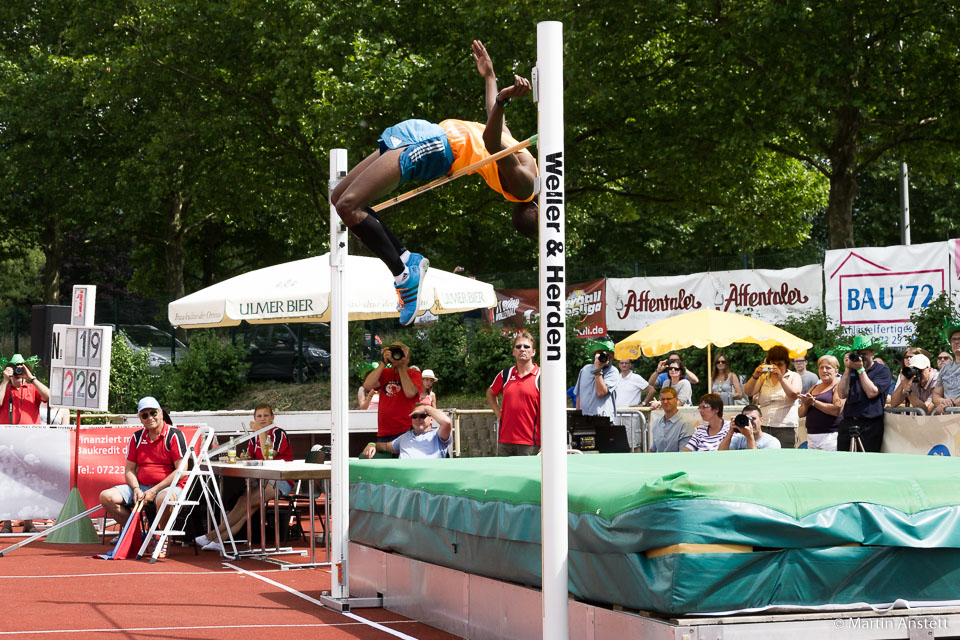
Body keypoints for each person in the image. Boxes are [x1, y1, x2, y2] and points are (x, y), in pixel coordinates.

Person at [329, 40, 539, 326]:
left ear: (537, 208)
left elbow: (491, 141)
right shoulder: (522, 154)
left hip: (438, 146)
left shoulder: (524, 186)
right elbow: (494, 119)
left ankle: (403, 275)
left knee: (349, 206)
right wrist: (490, 76)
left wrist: (503, 98)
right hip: (427, 133)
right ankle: (407, 259)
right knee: (339, 197)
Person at [195, 404, 293, 552]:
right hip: (261, 480)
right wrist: (245, 456)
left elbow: (268, 456)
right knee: (245, 506)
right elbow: (251, 455)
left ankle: (211, 536)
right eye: (259, 416)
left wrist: (260, 432)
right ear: (254, 418)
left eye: (265, 416)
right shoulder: (255, 436)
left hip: (279, 481)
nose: (262, 419)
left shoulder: (278, 433)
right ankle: (219, 541)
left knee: (245, 503)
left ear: (272, 418)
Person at [99, 397, 187, 556]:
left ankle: (161, 536)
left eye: (153, 413)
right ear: (140, 418)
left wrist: (155, 490)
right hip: (142, 487)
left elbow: (181, 470)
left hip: (168, 487)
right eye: (144, 415)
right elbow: (129, 470)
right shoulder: (136, 437)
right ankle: (135, 533)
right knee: (106, 496)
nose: (150, 418)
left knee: (163, 498)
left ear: (160, 413)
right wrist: (136, 488)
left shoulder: (174, 435)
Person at [0, 354, 52, 533]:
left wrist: (31, 378)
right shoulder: (4, 388)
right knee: (6, 482)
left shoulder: (31, 387)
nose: (17, 371)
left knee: (30, 481)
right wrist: (5, 381)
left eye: (20, 368)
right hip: (6, 442)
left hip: (30, 442)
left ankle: (29, 522)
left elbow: (48, 396)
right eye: (14, 368)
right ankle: (6, 523)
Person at [486, 331, 540, 456]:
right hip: (505, 441)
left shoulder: (541, 376)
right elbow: (490, 393)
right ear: (513, 352)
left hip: (530, 444)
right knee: (503, 475)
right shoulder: (505, 374)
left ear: (533, 352)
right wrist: (498, 414)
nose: (522, 349)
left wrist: (546, 442)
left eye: (526, 347)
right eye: (518, 346)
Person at [835, 336, 892, 452]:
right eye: (857, 354)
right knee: (843, 462)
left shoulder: (882, 370)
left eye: (864, 354)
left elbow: (872, 392)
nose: (861, 357)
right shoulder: (851, 370)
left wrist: (861, 370)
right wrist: (847, 369)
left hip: (869, 425)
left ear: (873, 353)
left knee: (866, 463)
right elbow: (841, 394)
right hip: (849, 422)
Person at [362, 341, 423, 444]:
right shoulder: (385, 373)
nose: (396, 356)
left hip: (407, 431)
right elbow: (367, 385)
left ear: (407, 357)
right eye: (394, 353)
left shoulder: (414, 374)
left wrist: (401, 367)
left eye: (399, 353)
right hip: (385, 432)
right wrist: (383, 363)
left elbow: (410, 393)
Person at [361, 403, 452, 459]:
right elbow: (385, 446)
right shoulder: (405, 437)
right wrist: (372, 444)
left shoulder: (437, 435)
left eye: (422, 416)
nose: (418, 419)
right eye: (414, 416)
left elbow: (447, 422)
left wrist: (426, 408)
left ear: (431, 419)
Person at [743, 345, 801, 430]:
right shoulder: (764, 377)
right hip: (764, 425)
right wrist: (755, 376)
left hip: (785, 427)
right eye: (773, 364)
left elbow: (794, 395)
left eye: (780, 364)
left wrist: (781, 378)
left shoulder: (794, 376)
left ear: (786, 364)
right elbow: (748, 392)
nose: (776, 367)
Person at [798, 354, 844, 450]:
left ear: (836, 371)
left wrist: (814, 402)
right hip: (811, 436)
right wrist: (806, 404)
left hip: (830, 436)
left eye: (828, 368)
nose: (824, 371)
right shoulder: (814, 387)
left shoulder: (839, 386)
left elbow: (836, 410)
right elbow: (800, 413)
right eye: (821, 367)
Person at [574, 339, 619, 417]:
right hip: (584, 418)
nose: (606, 359)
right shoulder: (585, 369)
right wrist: (577, 415)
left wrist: (598, 369)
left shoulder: (613, 371)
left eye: (610, 357)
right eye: (604, 355)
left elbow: (601, 392)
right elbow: (579, 395)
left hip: (603, 418)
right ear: (596, 354)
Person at [647, 387, 695, 452]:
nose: (665, 402)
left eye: (669, 399)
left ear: (676, 399)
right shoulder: (657, 422)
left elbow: (684, 454)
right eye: (663, 399)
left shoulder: (685, 424)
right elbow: (653, 449)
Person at [933, 320, 960, 414]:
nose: (957, 342)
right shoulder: (945, 368)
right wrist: (942, 401)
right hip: (948, 420)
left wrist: (953, 403)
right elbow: (936, 394)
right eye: (954, 339)